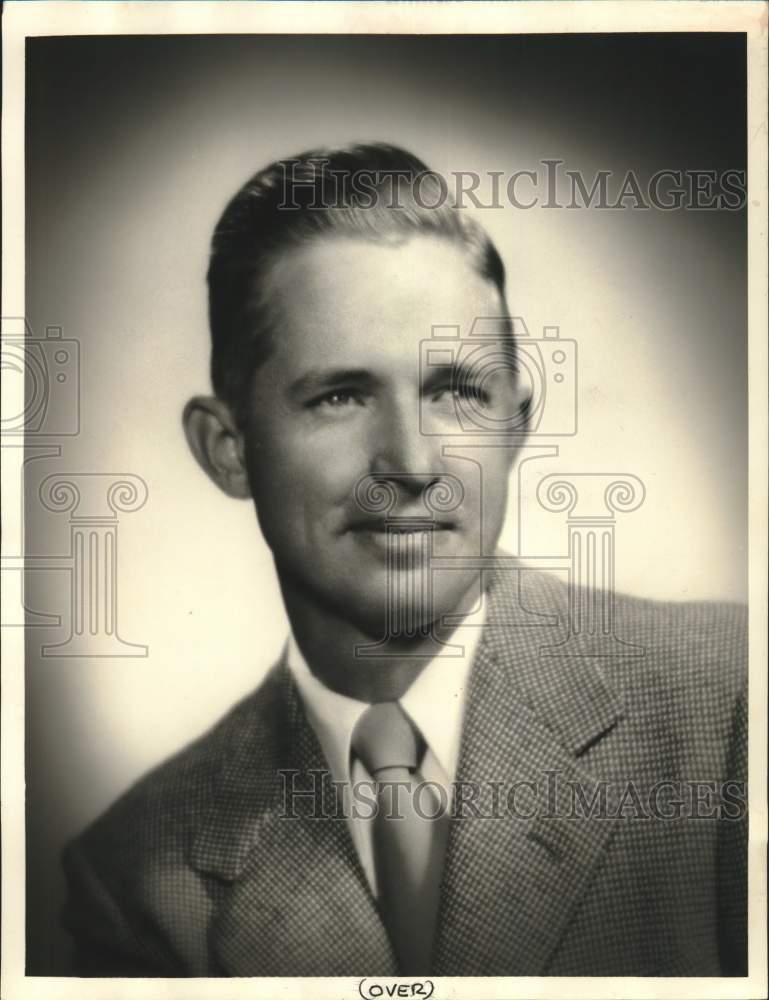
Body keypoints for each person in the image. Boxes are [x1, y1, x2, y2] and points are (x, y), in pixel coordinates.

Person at [61, 143, 747, 977]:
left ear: (515, 425)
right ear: (229, 449)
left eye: (455, 392)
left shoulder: (732, 706)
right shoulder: (138, 878)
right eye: (341, 396)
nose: (413, 464)